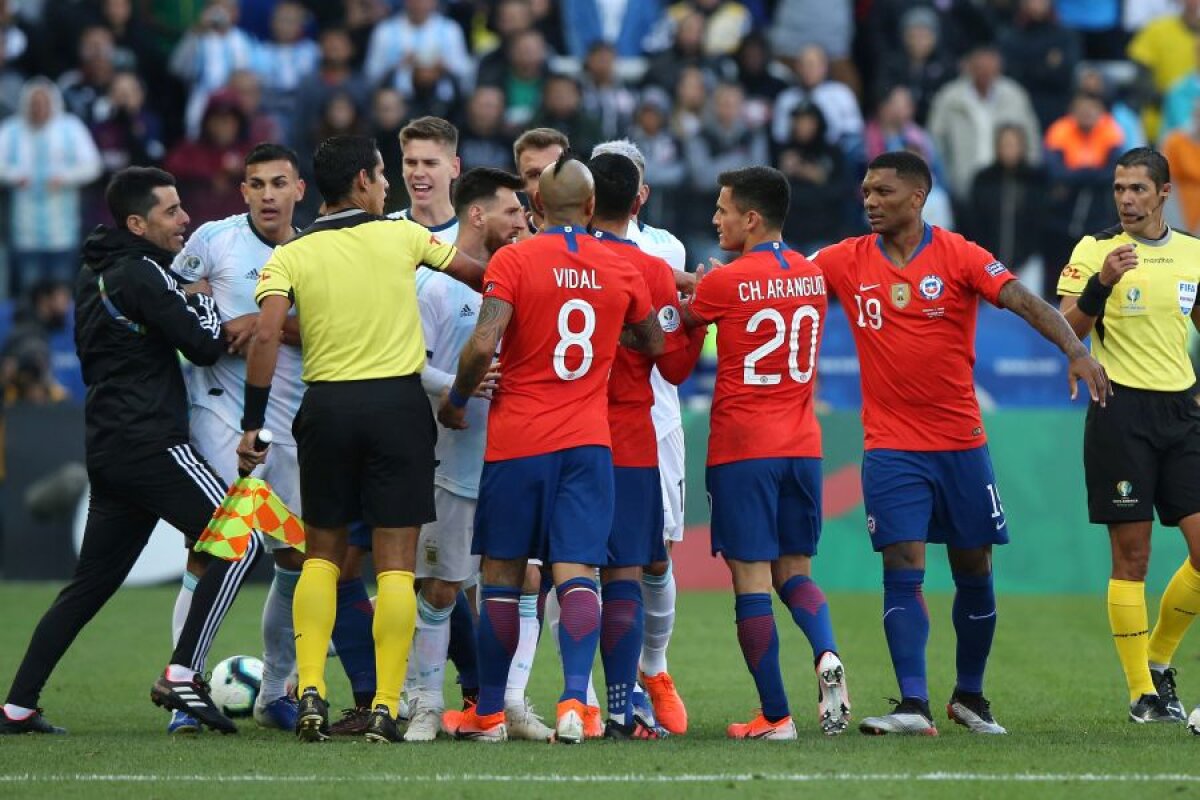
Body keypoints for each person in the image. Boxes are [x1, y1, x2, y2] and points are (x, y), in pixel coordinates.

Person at [809, 151, 1108, 736]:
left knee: (974, 563)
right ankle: (912, 705)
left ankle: (969, 697)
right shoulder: (844, 259)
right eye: (866, 191)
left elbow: (1022, 298)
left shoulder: (959, 254)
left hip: (960, 441)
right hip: (891, 445)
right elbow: (787, 280)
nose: (870, 201)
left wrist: (1074, 349)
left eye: (883, 192)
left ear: (918, 197)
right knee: (902, 561)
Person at [237, 134, 486, 743]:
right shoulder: (402, 236)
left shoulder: (288, 257)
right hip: (397, 407)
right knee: (396, 565)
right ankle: (385, 704)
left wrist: (254, 422)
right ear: (362, 183)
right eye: (382, 176)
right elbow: (480, 277)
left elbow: (266, 337)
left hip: (326, 409)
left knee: (322, 558)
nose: (387, 186)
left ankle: (314, 691)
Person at [0, 167, 246, 735]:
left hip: (109, 448)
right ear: (136, 223)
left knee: (89, 586)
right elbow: (206, 347)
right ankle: (184, 673)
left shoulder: (96, 272)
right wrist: (201, 298)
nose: (185, 220)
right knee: (242, 540)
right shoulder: (142, 274)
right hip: (152, 443)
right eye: (171, 211)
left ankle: (16, 705)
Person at [439, 154, 663, 743]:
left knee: (504, 578)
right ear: (591, 208)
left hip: (518, 443)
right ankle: (572, 703)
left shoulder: (514, 259)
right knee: (578, 573)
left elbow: (482, 344)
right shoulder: (620, 265)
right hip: (590, 444)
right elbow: (655, 339)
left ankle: (488, 713)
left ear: (537, 206)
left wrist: (458, 401)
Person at [678, 166, 849, 740]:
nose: (716, 219)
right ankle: (825, 652)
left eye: (723, 210)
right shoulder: (809, 274)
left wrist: (688, 288)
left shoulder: (725, 281)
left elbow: (681, 322)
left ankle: (775, 715)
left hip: (743, 447)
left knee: (750, 581)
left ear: (751, 219)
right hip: (802, 446)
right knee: (796, 572)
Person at [165, 143, 308, 735]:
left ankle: (277, 690)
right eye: (257, 183)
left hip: (296, 424)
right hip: (222, 416)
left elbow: (338, 325)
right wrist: (208, 324)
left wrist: (270, 324)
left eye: (279, 182)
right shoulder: (213, 241)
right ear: (243, 190)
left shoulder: (320, 249)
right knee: (211, 549)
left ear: (301, 189)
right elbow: (169, 303)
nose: (268, 194)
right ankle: (184, 693)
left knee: (295, 558)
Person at [403, 167, 547, 742]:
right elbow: (406, 362)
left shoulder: (520, 278)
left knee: (525, 582)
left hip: (513, 454)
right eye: (513, 211)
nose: (522, 222)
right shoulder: (433, 285)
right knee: (440, 586)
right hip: (450, 459)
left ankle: (510, 702)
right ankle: (426, 704)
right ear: (477, 215)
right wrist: (453, 388)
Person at [1057, 147, 1200, 724]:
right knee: (1132, 556)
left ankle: (1159, 659)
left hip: (1182, 411)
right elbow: (1067, 329)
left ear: (1164, 193)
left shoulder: (1193, 252)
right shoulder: (1095, 250)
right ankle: (1143, 693)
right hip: (1120, 411)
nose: (1126, 199)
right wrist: (1101, 285)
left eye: (1138, 189)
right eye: (1119, 189)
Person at [587, 151, 703, 739]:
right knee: (624, 570)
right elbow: (676, 363)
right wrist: (699, 315)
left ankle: (640, 677)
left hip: (576, 428)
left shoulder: (665, 249)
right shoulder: (656, 268)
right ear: (636, 196)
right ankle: (604, 700)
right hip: (628, 431)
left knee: (575, 567)